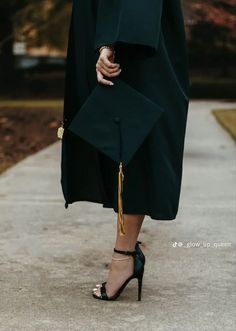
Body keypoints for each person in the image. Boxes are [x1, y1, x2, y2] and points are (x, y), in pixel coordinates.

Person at [59, 0, 190, 301]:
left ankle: (124, 256)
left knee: (134, 141)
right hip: (112, 24)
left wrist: (112, 38)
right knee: (119, 139)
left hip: (132, 33)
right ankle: (126, 253)